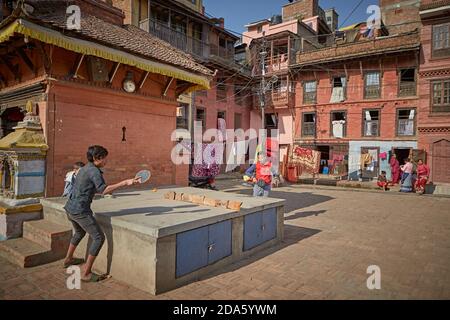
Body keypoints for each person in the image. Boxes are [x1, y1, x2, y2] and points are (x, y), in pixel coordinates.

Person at [63, 145, 141, 282]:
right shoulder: (94, 171)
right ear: (96, 158)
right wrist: (124, 182)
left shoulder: (84, 168)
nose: (106, 160)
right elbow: (103, 190)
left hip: (70, 208)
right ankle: (85, 272)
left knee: (80, 232)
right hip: (80, 210)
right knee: (98, 237)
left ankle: (68, 259)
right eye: (104, 158)